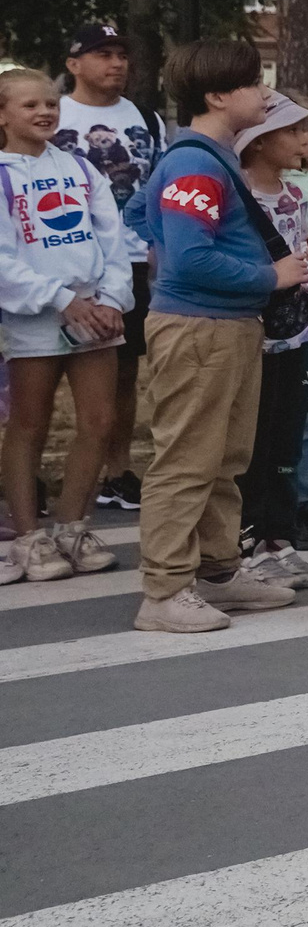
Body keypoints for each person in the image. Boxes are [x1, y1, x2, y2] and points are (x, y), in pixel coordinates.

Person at [120, 41, 302, 632]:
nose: (266, 93)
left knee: (224, 458)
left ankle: (218, 572)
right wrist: (267, 276)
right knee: (187, 461)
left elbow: (145, 220)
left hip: (225, 326)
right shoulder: (195, 164)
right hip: (199, 328)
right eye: (254, 83)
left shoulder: (207, 160)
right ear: (218, 96)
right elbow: (190, 258)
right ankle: (165, 590)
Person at [0, 67, 139, 583]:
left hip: (96, 313)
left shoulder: (81, 168)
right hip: (37, 316)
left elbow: (114, 239)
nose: (44, 112)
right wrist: (58, 299)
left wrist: (111, 298)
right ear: (2, 115)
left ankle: (70, 527)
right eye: (29, 105)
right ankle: (28, 538)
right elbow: (3, 257)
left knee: (100, 421)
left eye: (50, 104)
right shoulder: (2, 173)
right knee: (30, 423)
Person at [230, 90, 308, 592]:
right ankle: (248, 540)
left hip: (298, 328)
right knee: (254, 437)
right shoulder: (237, 197)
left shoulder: (294, 193)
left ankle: (279, 537)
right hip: (256, 333)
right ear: (258, 141)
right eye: (298, 131)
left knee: (286, 432)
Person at [54, 23, 161, 513]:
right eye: (103, 54)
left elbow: (156, 183)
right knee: (47, 370)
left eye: (121, 54)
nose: (116, 63)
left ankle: (117, 471)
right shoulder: (55, 114)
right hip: (65, 259)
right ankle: (39, 476)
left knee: (122, 367)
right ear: (74, 63)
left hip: (130, 258)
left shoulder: (146, 118)